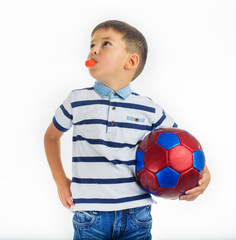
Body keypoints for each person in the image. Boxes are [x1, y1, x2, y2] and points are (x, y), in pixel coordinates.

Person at [44, 20, 211, 240]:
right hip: (90, 214)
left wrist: (205, 174)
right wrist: (60, 180)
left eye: (105, 44)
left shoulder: (148, 107)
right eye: (92, 44)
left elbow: (183, 145)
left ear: (131, 61)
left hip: (137, 214)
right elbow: (51, 137)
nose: (93, 49)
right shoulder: (76, 101)